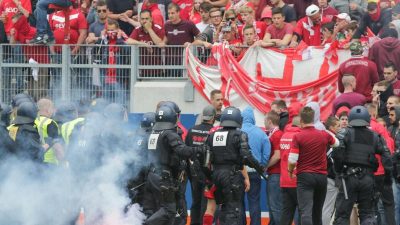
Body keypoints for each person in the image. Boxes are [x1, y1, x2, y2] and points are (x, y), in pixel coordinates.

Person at [144, 105, 206, 225]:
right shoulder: (169, 133)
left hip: (152, 176)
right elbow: (183, 151)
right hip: (164, 176)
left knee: (158, 209)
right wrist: (201, 149)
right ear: (172, 117)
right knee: (169, 211)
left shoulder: (153, 133)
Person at [331, 106, 393, 225]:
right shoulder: (375, 136)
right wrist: (387, 180)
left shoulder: (344, 133)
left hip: (348, 178)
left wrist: (338, 171)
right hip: (368, 179)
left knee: (342, 216)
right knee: (367, 214)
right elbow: (387, 157)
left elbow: (337, 154)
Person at [205, 106, 265, 225]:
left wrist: (210, 177)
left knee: (221, 207)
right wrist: (259, 167)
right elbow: (246, 156)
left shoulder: (213, 135)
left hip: (216, 175)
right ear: (238, 119)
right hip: (232, 177)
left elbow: (204, 159)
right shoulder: (239, 135)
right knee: (233, 210)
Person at [288, 106, 339, 225]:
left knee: (305, 211)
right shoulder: (323, 134)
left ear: (301, 120)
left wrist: (290, 171)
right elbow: (336, 143)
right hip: (321, 177)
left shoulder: (298, 136)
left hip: (304, 177)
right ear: (313, 120)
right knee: (317, 212)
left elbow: (292, 159)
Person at [185, 105, 216, 225]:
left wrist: (189, 173)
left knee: (195, 202)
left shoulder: (192, 130)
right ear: (213, 117)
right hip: (208, 173)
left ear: (203, 116)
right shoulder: (214, 131)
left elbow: (186, 152)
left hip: (194, 173)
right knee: (206, 203)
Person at [242, 106, 270, 225]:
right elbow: (267, 152)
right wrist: (261, 165)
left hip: (240, 172)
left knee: (238, 201)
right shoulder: (261, 133)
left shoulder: (237, 131)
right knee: (254, 201)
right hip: (255, 172)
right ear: (253, 118)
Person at [280, 116, 301, 225]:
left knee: (286, 213)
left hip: (284, 180)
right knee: (302, 212)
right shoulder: (298, 137)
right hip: (296, 180)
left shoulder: (284, 136)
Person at [265, 110, 283, 225]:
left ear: (269, 121)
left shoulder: (276, 135)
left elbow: (277, 156)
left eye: (265, 120)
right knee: (273, 206)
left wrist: (265, 166)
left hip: (276, 174)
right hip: (275, 174)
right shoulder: (275, 134)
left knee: (275, 206)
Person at [322, 116, 340, 225]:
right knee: (327, 208)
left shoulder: (322, 136)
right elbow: (333, 160)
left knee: (324, 207)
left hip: (322, 176)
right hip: (330, 177)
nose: (340, 128)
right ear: (331, 127)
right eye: (337, 126)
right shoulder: (332, 139)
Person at [36, 98, 64, 165]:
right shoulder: (50, 123)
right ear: (47, 110)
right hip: (49, 162)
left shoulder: (32, 121)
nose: (53, 111)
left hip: (35, 160)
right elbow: (56, 145)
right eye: (52, 108)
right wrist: (63, 162)